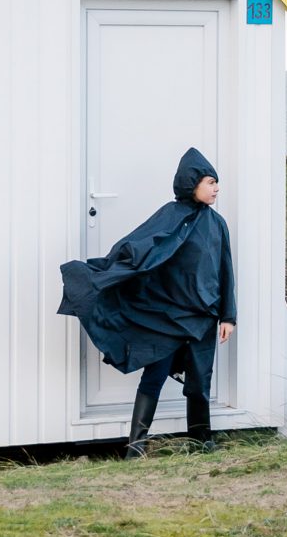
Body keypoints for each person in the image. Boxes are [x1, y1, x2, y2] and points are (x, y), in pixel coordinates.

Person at [59, 147, 237, 456]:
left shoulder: (218, 224)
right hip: (164, 316)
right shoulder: (169, 216)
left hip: (203, 316)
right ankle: (136, 445)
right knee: (153, 376)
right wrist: (114, 267)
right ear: (191, 183)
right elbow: (141, 248)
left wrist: (228, 316)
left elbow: (226, 270)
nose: (216, 188)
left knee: (199, 382)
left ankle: (201, 441)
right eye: (210, 182)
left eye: (216, 183)